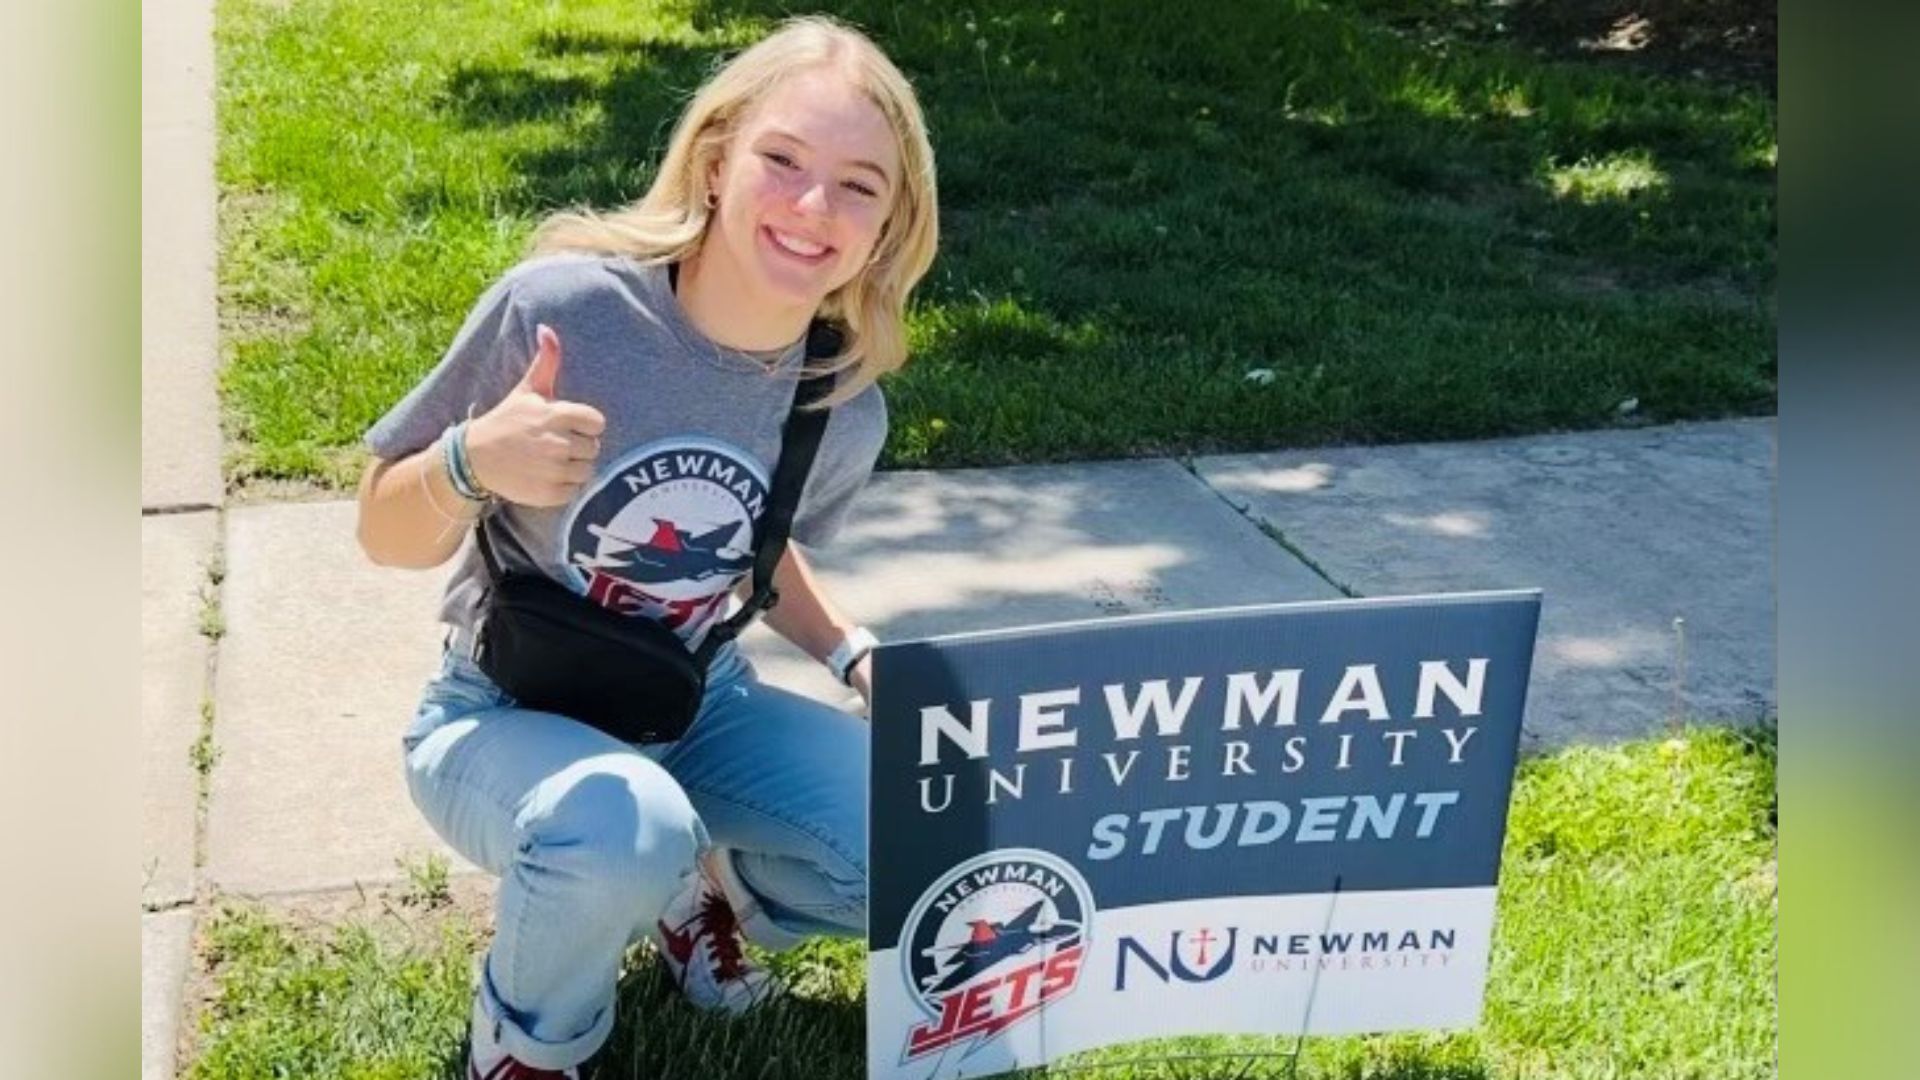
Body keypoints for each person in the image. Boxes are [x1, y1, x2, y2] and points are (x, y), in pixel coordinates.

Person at [354, 16, 939, 1078]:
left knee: (919, 837)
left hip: (692, 704)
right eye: (783, 160)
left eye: (861, 185)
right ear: (717, 163)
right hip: (502, 711)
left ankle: (706, 900)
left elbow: (755, 552)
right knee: (622, 825)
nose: (815, 208)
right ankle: (531, 1045)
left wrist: (851, 651)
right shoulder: (568, 314)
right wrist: (469, 463)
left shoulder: (843, 405)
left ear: (892, 222)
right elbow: (379, 527)